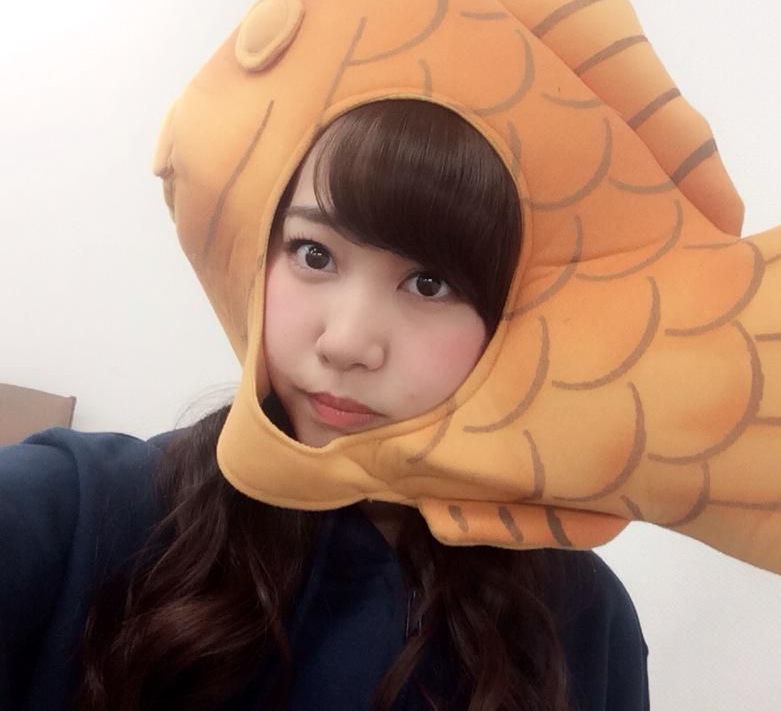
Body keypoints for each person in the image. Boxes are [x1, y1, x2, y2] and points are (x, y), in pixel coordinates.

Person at [0, 98, 650, 711]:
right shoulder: (87, 511)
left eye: (429, 283)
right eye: (314, 254)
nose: (346, 343)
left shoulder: (583, 620)